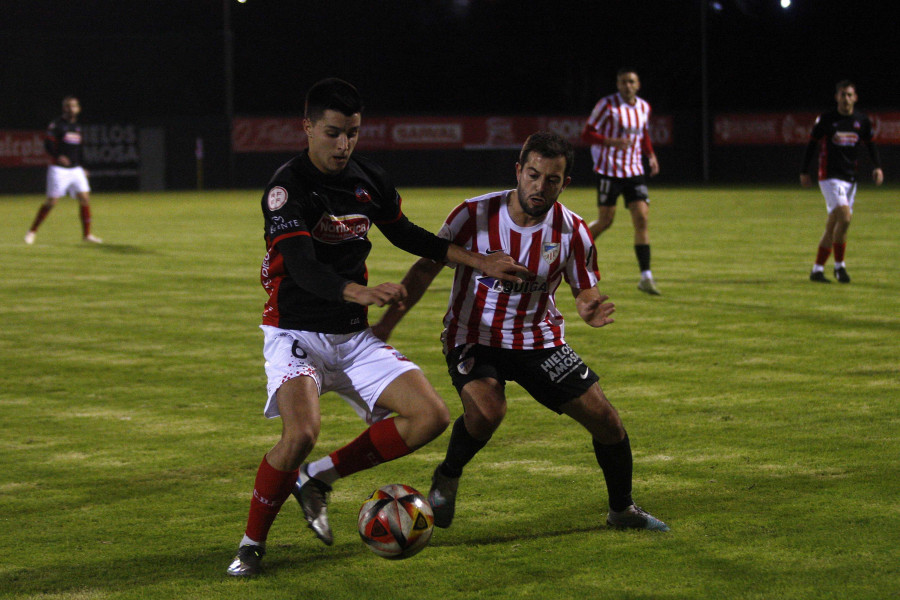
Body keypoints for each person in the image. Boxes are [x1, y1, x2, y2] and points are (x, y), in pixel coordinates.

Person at [226, 78, 530, 577]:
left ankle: (319, 477)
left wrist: (478, 261)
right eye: (332, 133)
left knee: (429, 416)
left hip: (352, 337)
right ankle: (251, 545)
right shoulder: (288, 188)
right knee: (301, 432)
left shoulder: (369, 178)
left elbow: (408, 235)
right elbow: (300, 265)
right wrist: (360, 292)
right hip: (295, 331)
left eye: (352, 133)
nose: (343, 144)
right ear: (306, 128)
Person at [373, 131, 669, 537]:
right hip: (473, 335)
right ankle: (449, 474)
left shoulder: (573, 230)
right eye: (533, 174)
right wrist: (385, 327)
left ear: (565, 183)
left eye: (551, 179)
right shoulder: (473, 215)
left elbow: (585, 286)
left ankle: (622, 510)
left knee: (607, 422)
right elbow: (426, 267)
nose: (539, 186)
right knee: (488, 412)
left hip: (539, 340)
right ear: (519, 170)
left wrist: (588, 304)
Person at [581, 68, 660, 295]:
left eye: (631, 81)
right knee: (606, 220)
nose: (627, 85)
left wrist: (651, 156)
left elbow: (643, 135)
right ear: (618, 84)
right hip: (609, 170)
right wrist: (611, 142)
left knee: (642, 217)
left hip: (634, 170)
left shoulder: (644, 107)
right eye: (623, 82)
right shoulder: (606, 106)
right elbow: (587, 134)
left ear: (638, 85)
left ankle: (646, 276)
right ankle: (574, 248)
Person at [800, 80, 883, 283]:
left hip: (850, 179)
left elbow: (870, 145)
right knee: (845, 218)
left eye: (849, 95)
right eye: (842, 95)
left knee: (834, 226)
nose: (846, 99)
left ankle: (817, 270)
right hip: (829, 177)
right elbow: (811, 144)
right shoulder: (827, 120)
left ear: (855, 98)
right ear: (837, 97)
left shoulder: (861, 121)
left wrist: (877, 167)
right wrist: (804, 171)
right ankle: (840, 268)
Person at [24, 96, 102, 245]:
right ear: (64, 108)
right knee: (52, 201)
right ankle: (32, 231)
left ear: (78, 109)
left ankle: (87, 235)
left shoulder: (77, 127)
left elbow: (78, 150)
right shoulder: (57, 125)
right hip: (59, 170)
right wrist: (58, 156)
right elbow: (47, 144)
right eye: (68, 106)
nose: (72, 108)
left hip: (75, 169)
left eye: (74, 106)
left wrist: (82, 166)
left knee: (85, 198)